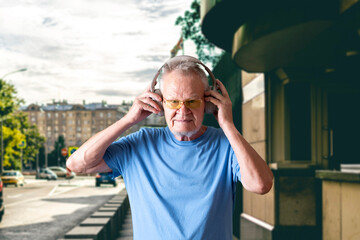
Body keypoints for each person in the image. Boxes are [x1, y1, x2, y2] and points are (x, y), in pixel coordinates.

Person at [67, 55, 273, 239]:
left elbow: (261, 185)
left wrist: (228, 124)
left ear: (208, 103)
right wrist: (128, 120)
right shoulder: (140, 143)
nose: (182, 111)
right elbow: (78, 164)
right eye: (173, 102)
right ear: (159, 102)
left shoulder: (227, 144)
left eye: (192, 101)